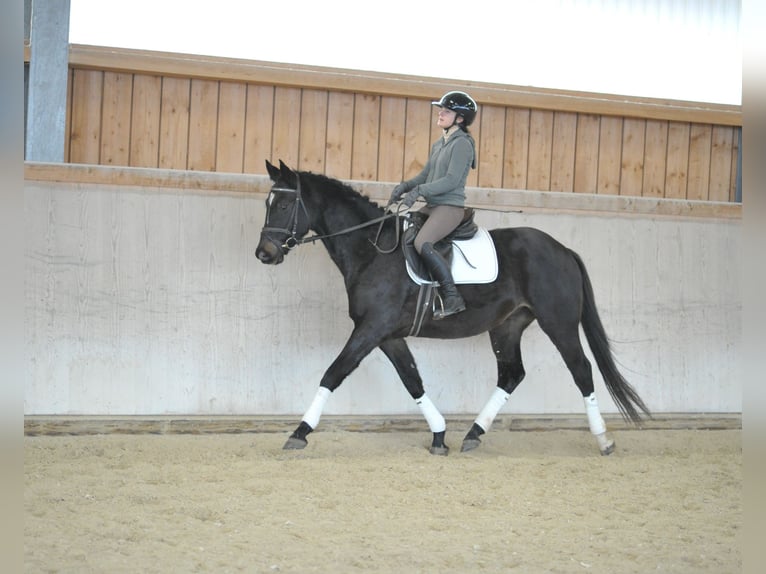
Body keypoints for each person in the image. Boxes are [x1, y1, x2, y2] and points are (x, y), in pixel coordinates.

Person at [389, 90, 478, 320]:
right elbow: (426, 175)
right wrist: (406, 186)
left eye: (446, 111)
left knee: (423, 242)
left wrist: (420, 191)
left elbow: (451, 180)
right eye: (441, 110)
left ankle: (452, 297)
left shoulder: (462, 144)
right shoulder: (440, 143)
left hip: (449, 207)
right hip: (433, 205)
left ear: (460, 118)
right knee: (405, 232)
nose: (440, 113)